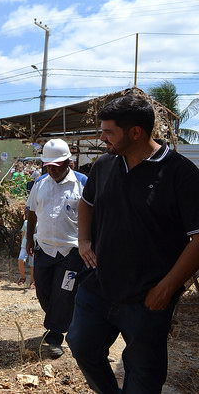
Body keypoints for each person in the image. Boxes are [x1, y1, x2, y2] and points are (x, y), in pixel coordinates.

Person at [66, 93, 199, 394]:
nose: (101, 138)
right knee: (81, 345)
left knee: (143, 374)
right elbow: (87, 203)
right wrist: (84, 240)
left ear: (136, 133)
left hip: (147, 297)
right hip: (98, 287)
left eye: (108, 131)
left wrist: (166, 288)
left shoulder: (181, 174)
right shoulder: (104, 166)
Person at [25, 138, 87, 358]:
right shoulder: (40, 183)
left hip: (71, 253)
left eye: (56, 166)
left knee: (63, 293)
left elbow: (93, 216)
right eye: (48, 166)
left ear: (68, 162)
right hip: (45, 250)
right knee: (43, 291)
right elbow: (31, 210)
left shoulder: (82, 183)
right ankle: (61, 320)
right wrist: (29, 239)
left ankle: (54, 336)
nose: (51, 170)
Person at [16, 209, 35, 288]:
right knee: (20, 260)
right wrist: (21, 244)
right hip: (24, 245)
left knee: (32, 264)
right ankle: (23, 277)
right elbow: (23, 234)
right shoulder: (26, 223)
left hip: (34, 246)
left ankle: (32, 281)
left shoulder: (39, 223)